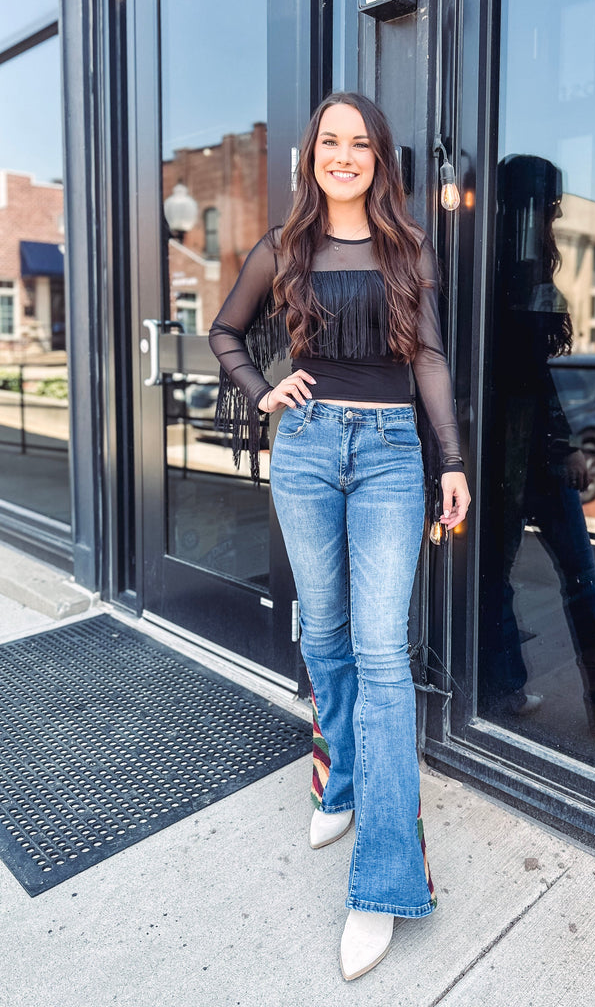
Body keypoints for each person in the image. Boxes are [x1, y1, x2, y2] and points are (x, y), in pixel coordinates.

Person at [208, 92, 470, 980]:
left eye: (361, 143)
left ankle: (386, 879)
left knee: (381, 654)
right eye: (331, 141)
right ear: (311, 155)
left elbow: (427, 356)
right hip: (308, 449)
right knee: (323, 634)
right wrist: (263, 390)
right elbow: (225, 331)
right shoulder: (283, 248)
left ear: (379, 159)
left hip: (392, 453)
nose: (345, 155)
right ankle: (344, 778)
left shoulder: (408, 248)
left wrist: (450, 459)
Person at [479, 154, 595, 739]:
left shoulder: (489, 267)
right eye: (550, 205)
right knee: (578, 578)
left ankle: (505, 691)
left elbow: (527, 376)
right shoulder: (523, 272)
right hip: (531, 454)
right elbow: (537, 377)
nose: (554, 216)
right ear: (532, 204)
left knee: (498, 578)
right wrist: (567, 446)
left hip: (505, 451)